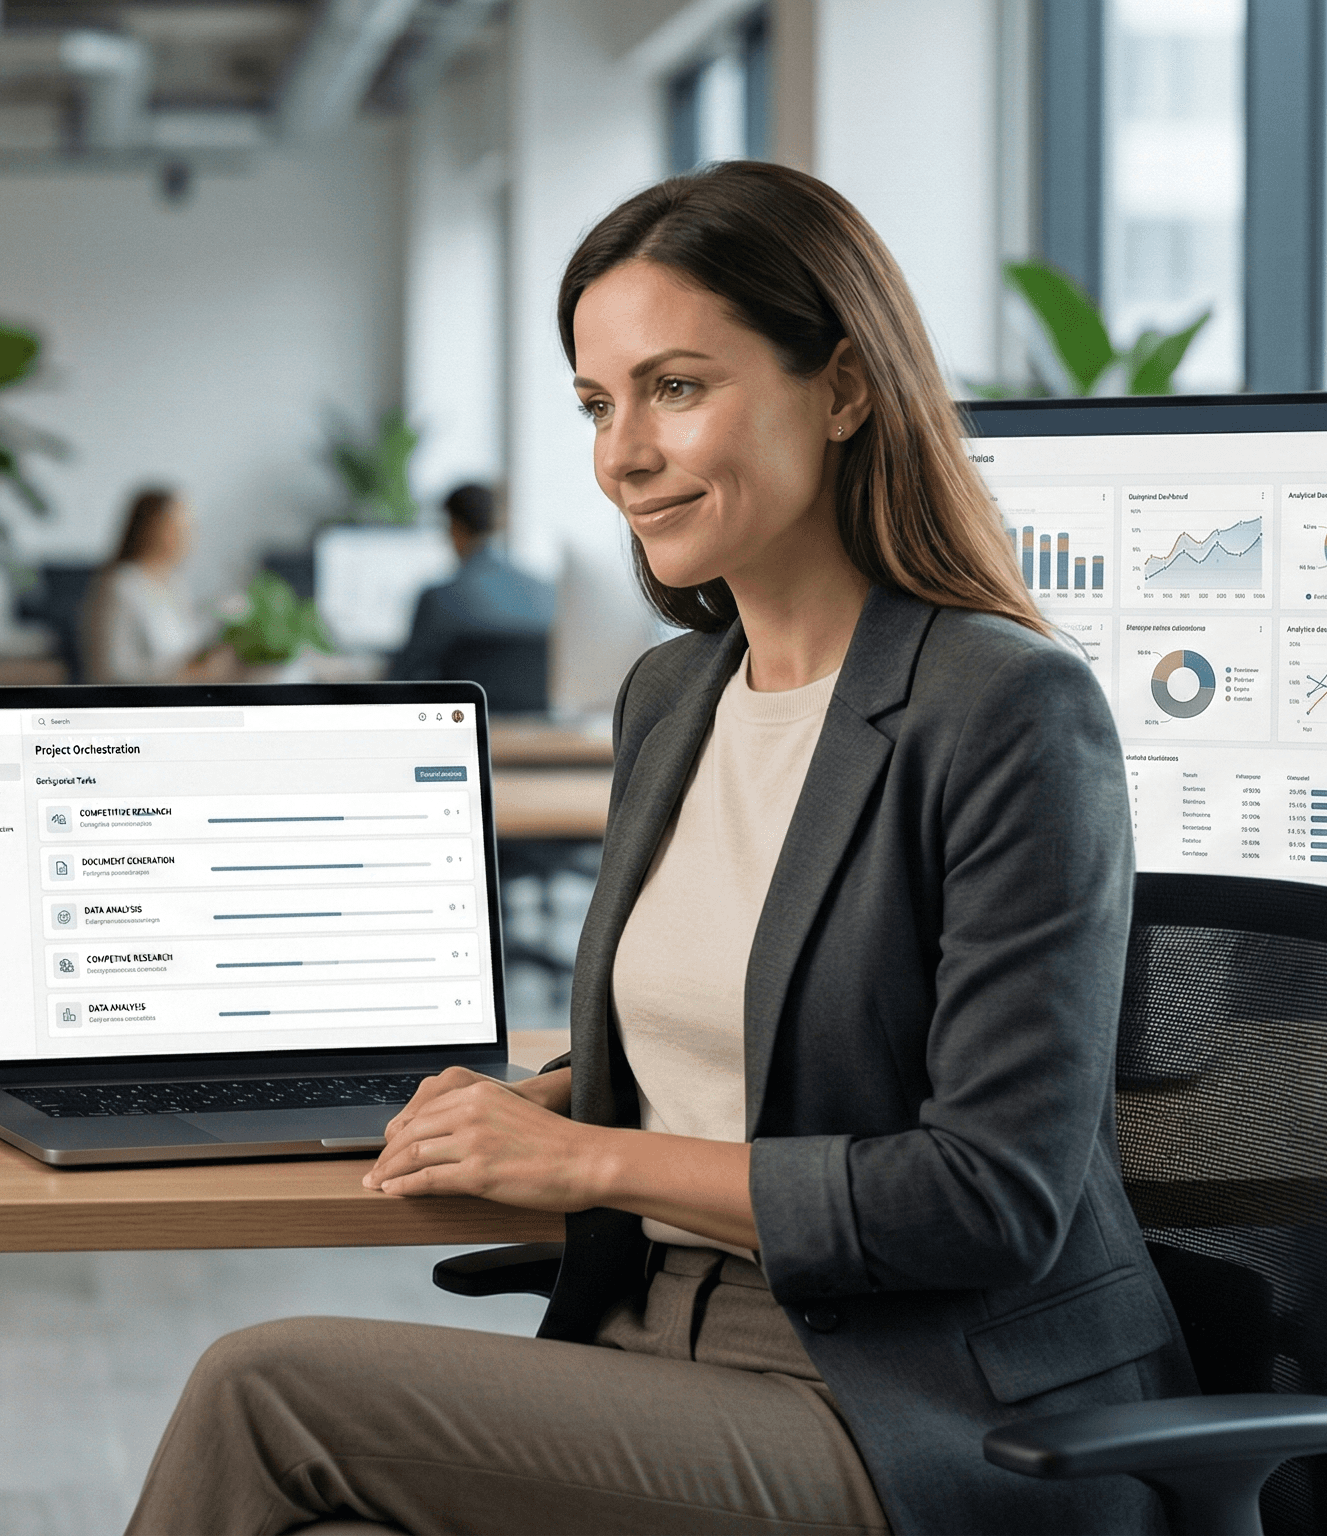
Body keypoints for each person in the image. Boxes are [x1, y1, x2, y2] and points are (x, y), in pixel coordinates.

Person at [127, 162, 1193, 1535]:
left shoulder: (1005, 708)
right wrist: (542, 1099)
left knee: (262, 1393)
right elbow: (764, 1040)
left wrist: (584, 1162)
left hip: (916, 1405)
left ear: (844, 389)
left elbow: (989, 1196)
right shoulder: (674, 695)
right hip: (654, 1340)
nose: (620, 454)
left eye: (675, 388)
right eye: (595, 403)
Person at [388, 483, 557, 683]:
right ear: (497, 523)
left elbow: (404, 677)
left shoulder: (438, 600)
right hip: (534, 703)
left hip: (463, 704)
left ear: (454, 527)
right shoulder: (549, 593)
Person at [81, 488, 225, 684]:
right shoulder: (120, 586)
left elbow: (186, 650)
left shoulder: (175, 585)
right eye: (180, 528)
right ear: (154, 529)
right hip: (139, 700)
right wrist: (186, 675)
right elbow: (113, 671)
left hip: (182, 696)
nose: (190, 537)